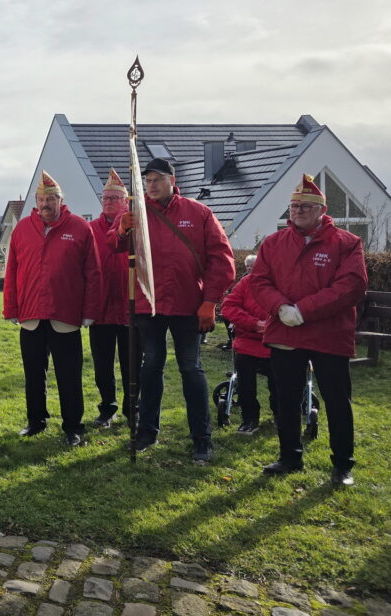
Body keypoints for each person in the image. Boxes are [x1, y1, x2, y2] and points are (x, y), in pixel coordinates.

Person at [113, 158, 234, 463]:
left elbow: (222, 259)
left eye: (157, 180)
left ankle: (201, 438)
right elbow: (113, 247)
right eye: (147, 181)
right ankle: (147, 431)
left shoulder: (199, 213)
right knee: (150, 366)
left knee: (190, 368)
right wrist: (121, 231)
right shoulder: (135, 213)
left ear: (171, 179)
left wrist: (210, 301)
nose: (151, 186)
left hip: (186, 304)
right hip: (148, 303)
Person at [249, 174, 367, 486]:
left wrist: (304, 310)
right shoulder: (273, 243)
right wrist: (280, 308)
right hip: (286, 332)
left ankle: (343, 465)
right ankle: (290, 456)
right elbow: (259, 281)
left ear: (321, 210)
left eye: (304, 206)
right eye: (293, 206)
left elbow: (352, 285)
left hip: (329, 334)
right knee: (286, 398)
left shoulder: (346, 243)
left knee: (337, 400)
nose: (297, 211)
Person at [3, 172, 100, 446]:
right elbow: (12, 271)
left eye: (52, 198)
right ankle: (36, 421)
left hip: (65, 314)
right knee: (33, 373)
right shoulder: (22, 230)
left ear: (61, 200)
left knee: (69, 374)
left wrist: (89, 311)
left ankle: (73, 426)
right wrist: (11, 307)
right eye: (42, 199)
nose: (46, 204)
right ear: (36, 201)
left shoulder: (80, 228)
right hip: (31, 314)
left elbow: (93, 273)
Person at [88, 168, 136, 428]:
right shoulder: (90, 229)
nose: (107, 202)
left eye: (113, 199)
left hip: (130, 307)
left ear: (125, 201)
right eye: (104, 198)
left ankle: (132, 408)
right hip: (101, 309)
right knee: (102, 364)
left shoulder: (136, 225)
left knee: (132, 363)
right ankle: (108, 408)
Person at [220, 254, 277, 435]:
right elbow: (228, 307)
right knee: (245, 383)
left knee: (280, 382)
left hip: (277, 342)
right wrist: (254, 323)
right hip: (248, 341)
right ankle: (250, 418)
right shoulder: (246, 283)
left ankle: (279, 414)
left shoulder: (286, 282)